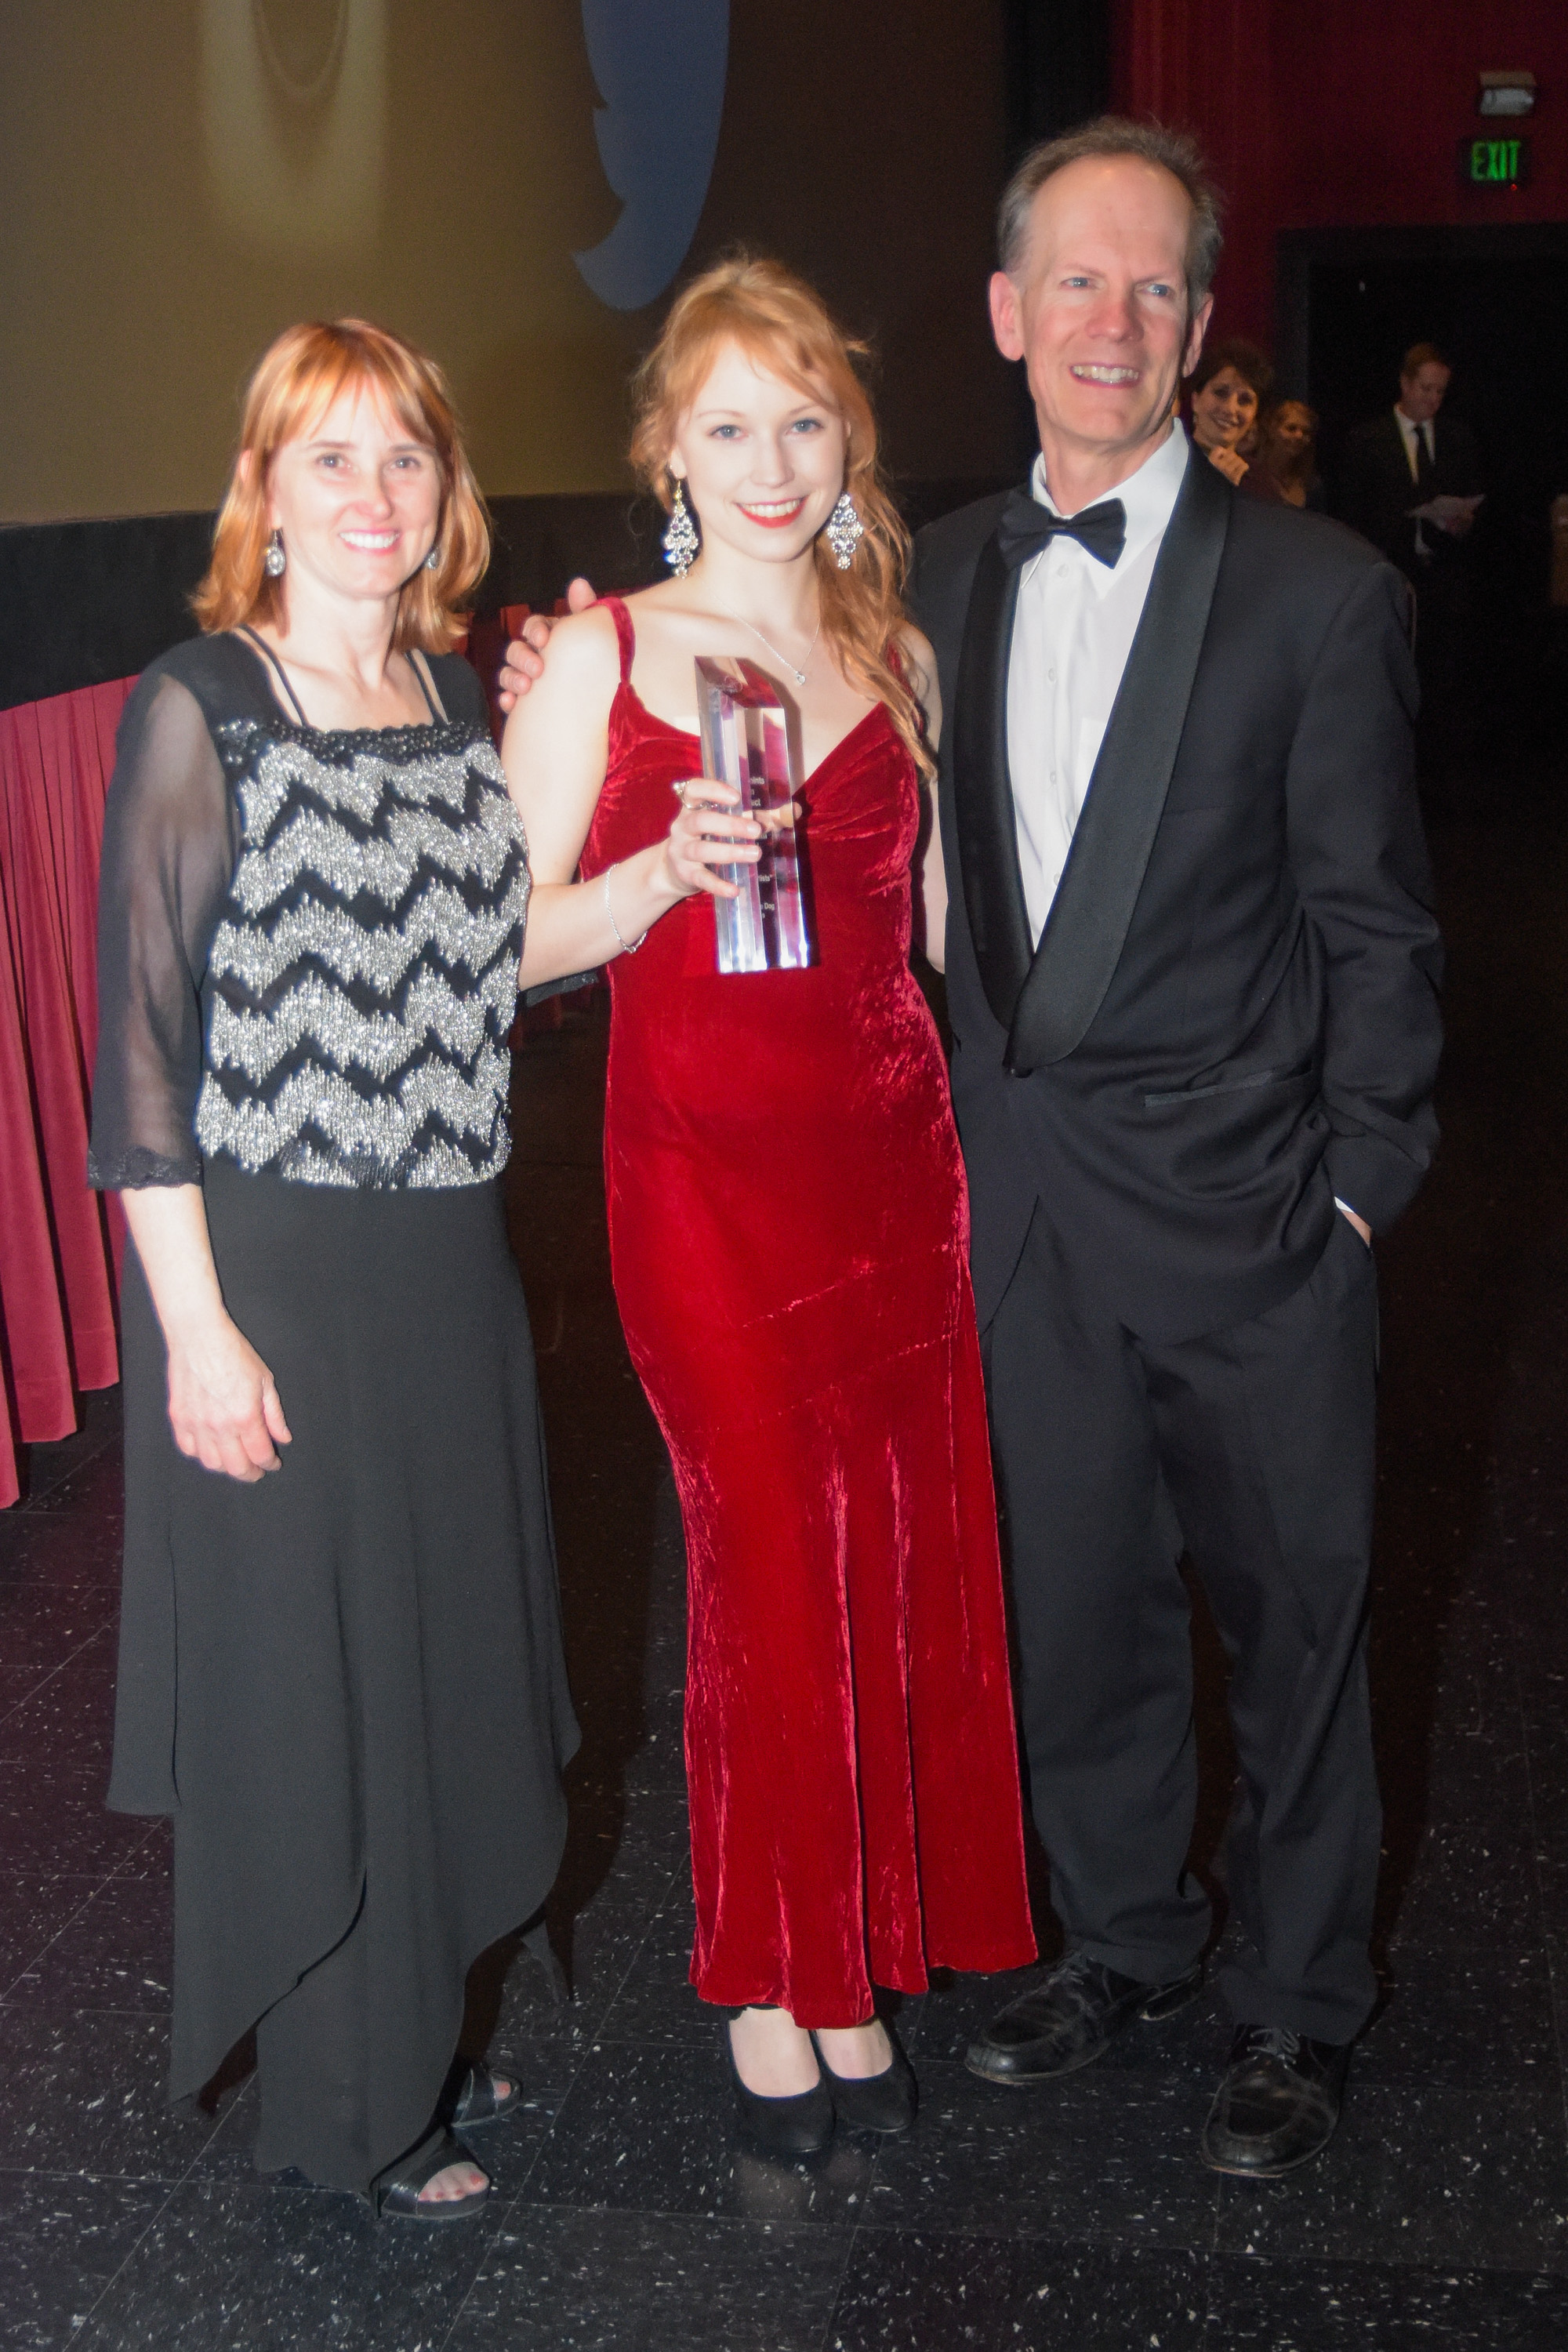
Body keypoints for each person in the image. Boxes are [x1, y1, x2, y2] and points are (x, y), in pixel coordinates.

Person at [902, 119, 1441, 2177]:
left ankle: (1297, 2000)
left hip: (1258, 1220)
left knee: (1302, 1626)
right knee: (1078, 1603)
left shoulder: (1322, 595)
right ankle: (1124, 1933)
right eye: (1076, 280)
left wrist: (1361, 1186)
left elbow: (1381, 927)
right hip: (1022, 1209)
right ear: (1006, 314)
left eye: (1153, 286)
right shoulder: (933, 570)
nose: (1111, 320)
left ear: (1199, 321)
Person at [498, 256, 1035, 2158]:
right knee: (755, 1557)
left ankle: (853, 1944)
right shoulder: (599, 657)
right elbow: (496, 937)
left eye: (803, 420)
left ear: (848, 437)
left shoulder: (892, 647)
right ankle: (760, 1961)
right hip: (701, 1180)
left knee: (885, 1553)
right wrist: (653, 875)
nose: (771, 459)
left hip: (893, 1170)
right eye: (728, 424)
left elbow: (947, 936)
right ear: (667, 447)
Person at [88, 320, 580, 2220]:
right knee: (324, 1682)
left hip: (445, 1260)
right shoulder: (202, 701)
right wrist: (195, 1333)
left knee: (446, 1647)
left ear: (445, 494)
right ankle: (347, 2100)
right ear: (264, 495)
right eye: (327, 462)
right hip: (272, 1268)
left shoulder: (455, 702)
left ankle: (422, 2017)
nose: (371, 497)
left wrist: (673, 870)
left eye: (404, 460)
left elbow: (497, 960)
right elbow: (136, 1054)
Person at [1338, 344, 1483, 786]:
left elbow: (1472, 503)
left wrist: (1460, 521)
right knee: (1386, 679)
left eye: (1441, 392)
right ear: (1404, 384)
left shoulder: (1458, 439)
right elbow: (1352, 513)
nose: (1432, 400)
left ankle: (1435, 779)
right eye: (1425, 389)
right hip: (1388, 574)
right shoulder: (1367, 440)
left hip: (1441, 577)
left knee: (1440, 681)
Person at [1185, 336, 1288, 503]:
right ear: (1195, 399)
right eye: (1221, 393)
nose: (1230, 409)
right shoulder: (1165, 464)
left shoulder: (1261, 483)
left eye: (1245, 400)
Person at [1258, 399, 1325, 510]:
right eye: (1291, 428)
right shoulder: (1249, 473)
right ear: (1272, 430)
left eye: (1306, 432)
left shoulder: (1312, 485)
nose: (1299, 436)